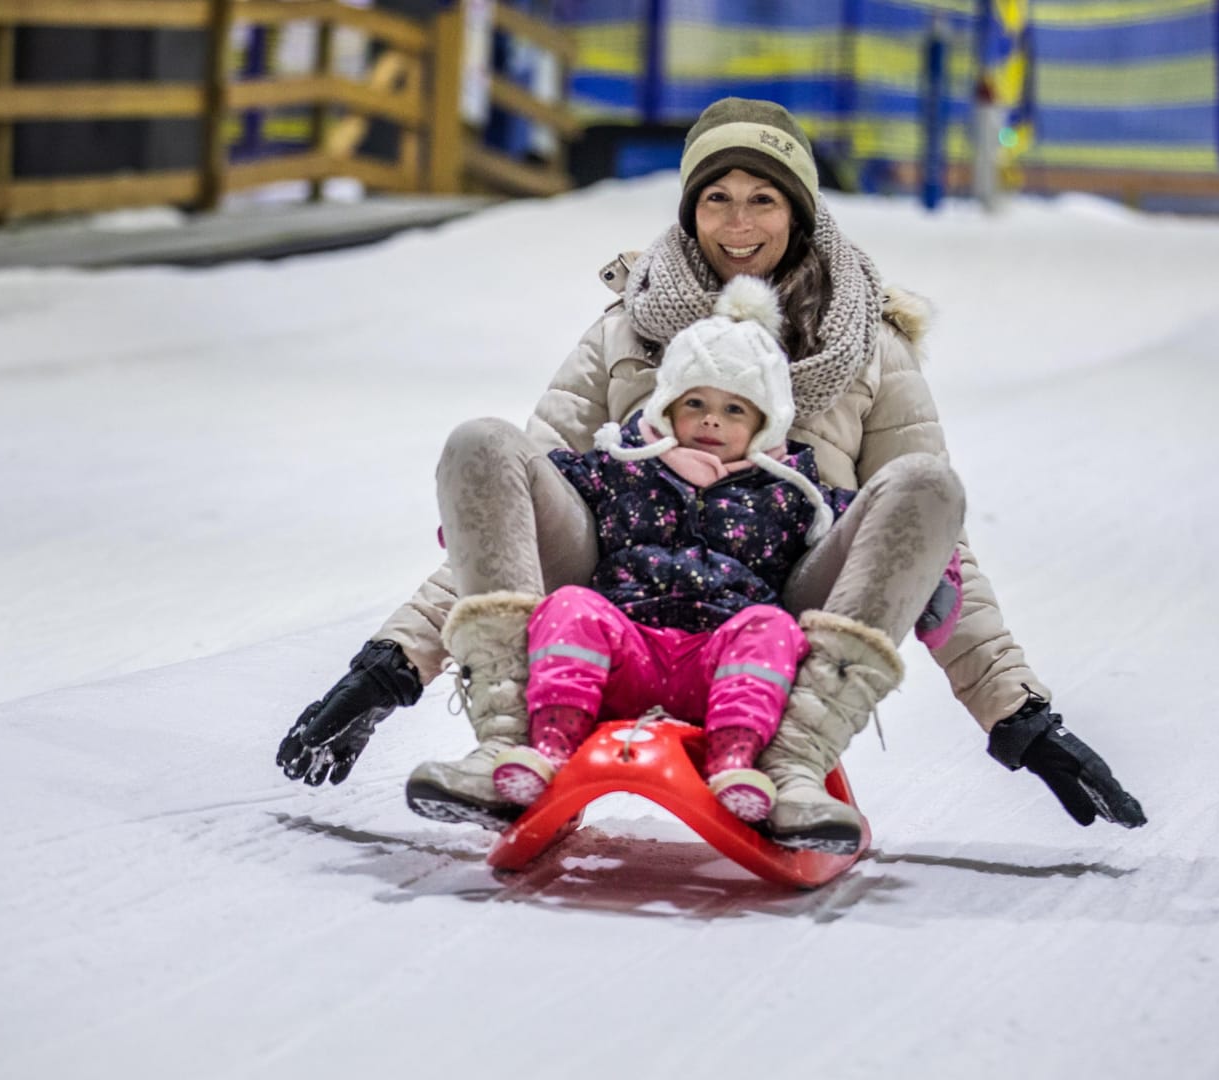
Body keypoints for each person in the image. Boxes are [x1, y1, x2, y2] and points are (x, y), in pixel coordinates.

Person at [277, 97, 1146, 852]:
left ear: (798, 214)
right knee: (484, 443)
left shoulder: (870, 350)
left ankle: (796, 760)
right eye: (717, 201)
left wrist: (1021, 717)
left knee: (927, 488)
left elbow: (925, 549)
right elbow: (511, 515)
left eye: (763, 201)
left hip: (781, 612)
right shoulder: (626, 330)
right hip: (615, 587)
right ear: (690, 212)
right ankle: (508, 744)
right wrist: (390, 666)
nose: (739, 226)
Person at [495, 275, 860, 826]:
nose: (712, 419)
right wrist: (496, 519)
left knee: (772, 627)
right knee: (570, 607)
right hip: (623, 649)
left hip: (720, 662)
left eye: (735, 410)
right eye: (695, 402)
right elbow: (543, 486)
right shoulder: (623, 464)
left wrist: (936, 569)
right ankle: (549, 747)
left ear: (766, 422)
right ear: (667, 405)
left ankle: (736, 760)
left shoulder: (791, 492)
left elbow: (862, 528)